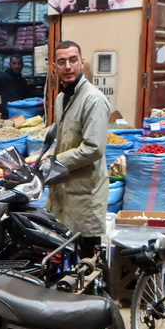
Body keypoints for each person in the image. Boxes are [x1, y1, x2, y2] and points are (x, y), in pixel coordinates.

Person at [44, 41, 110, 259]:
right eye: (62, 62)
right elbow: (66, 140)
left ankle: (100, 294)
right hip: (65, 188)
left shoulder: (93, 100)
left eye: (73, 60)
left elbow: (93, 148)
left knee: (88, 259)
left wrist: (54, 163)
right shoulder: (62, 98)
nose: (68, 66)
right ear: (55, 67)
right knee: (65, 253)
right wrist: (45, 157)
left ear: (82, 62)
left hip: (85, 192)